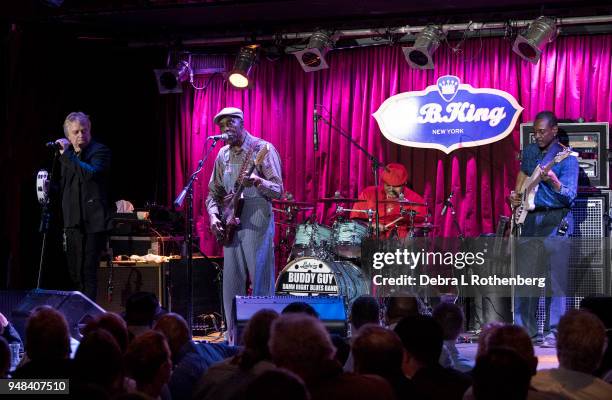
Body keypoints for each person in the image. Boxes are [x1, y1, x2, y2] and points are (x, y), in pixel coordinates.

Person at [205, 107, 283, 338]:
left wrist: (258, 181)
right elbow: (213, 193)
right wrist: (212, 216)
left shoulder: (262, 148)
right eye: (221, 125)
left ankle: (262, 339)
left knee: (260, 282)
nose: (225, 128)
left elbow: (278, 190)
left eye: (230, 122)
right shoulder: (222, 155)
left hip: (256, 217)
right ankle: (233, 339)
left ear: (241, 122)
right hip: (231, 222)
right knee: (231, 285)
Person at [509, 111, 578, 344]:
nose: (537, 136)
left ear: (554, 130)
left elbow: (570, 197)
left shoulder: (567, 159)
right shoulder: (529, 152)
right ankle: (524, 332)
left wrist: (554, 182)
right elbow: (524, 173)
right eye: (535, 131)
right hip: (530, 220)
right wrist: (516, 196)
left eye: (541, 132)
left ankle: (554, 332)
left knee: (554, 281)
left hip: (555, 221)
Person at [54, 112, 111, 300]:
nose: (80, 135)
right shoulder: (69, 157)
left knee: (88, 274)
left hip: (92, 224)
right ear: (68, 136)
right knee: (74, 274)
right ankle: (77, 317)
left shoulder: (99, 151)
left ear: (90, 130)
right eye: (76, 132)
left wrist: (68, 154)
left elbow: (89, 175)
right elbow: (67, 187)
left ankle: (88, 321)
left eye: (83, 131)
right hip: (72, 223)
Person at [351, 163, 426, 238]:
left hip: (400, 242)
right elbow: (356, 219)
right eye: (388, 185)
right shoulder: (368, 194)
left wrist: (409, 239)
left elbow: (420, 225)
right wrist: (370, 225)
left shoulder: (416, 200)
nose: (391, 189)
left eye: (396, 186)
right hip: (371, 239)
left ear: (404, 183)